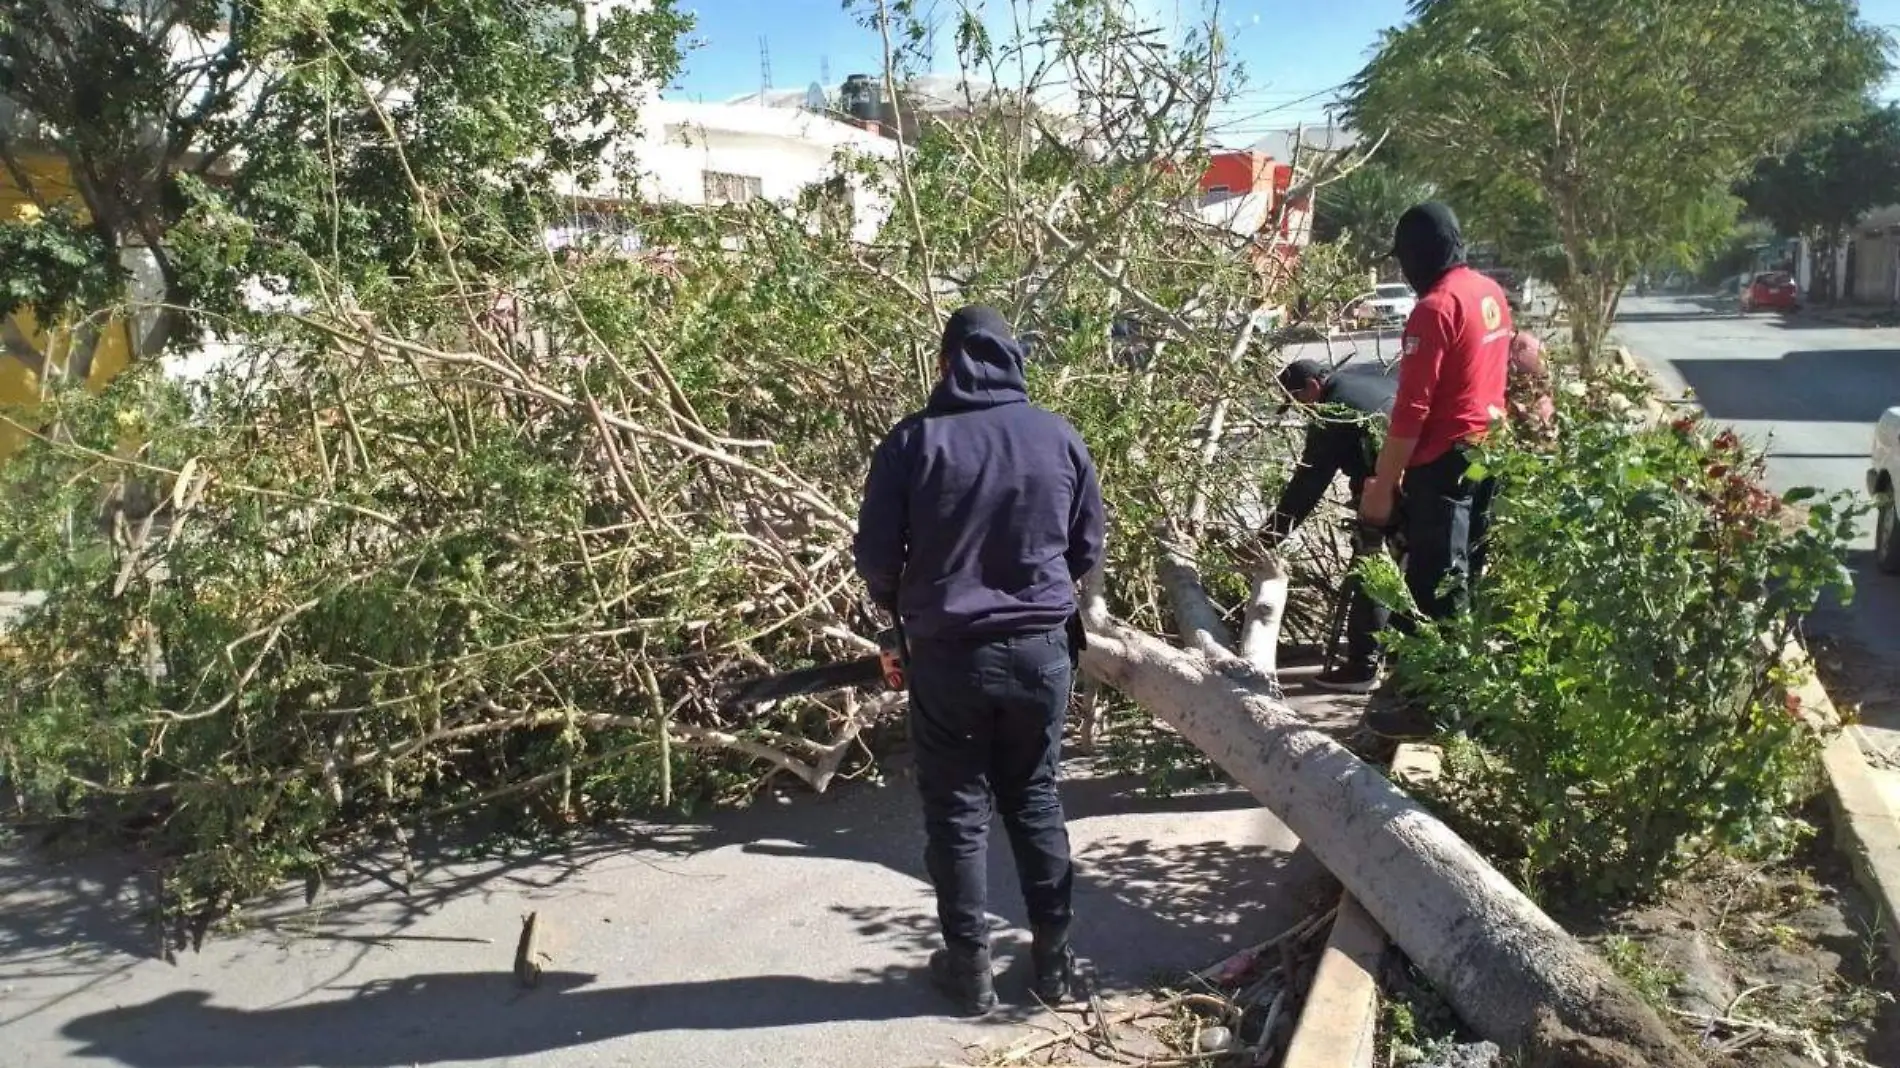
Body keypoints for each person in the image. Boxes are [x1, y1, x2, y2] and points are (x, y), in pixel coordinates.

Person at [853, 304, 1107, 1017]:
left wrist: (897, 607)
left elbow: (876, 554)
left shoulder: (912, 443)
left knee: (959, 813)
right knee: (1034, 798)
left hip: (947, 659)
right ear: (1013, 360)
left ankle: (970, 975)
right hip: (1040, 653)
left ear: (946, 363)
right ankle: (1053, 966)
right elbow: (1088, 546)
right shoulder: (1057, 436)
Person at [1357, 202, 1513, 739]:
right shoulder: (1489, 293)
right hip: (1487, 453)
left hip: (1444, 464)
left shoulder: (1435, 308)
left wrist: (1383, 486)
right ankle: (1459, 698)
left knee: (1436, 587)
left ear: (1418, 256)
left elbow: (1412, 410)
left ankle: (1435, 713)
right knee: (1464, 576)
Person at [1258, 358, 1400, 693]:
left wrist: (1267, 538)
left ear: (1311, 388)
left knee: (1372, 568)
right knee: (1409, 566)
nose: (1303, 413)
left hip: (1390, 485)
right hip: (1426, 471)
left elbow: (1309, 482)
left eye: (1298, 403)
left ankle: (1362, 667)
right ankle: (1398, 655)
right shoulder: (1365, 378)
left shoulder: (1333, 409)